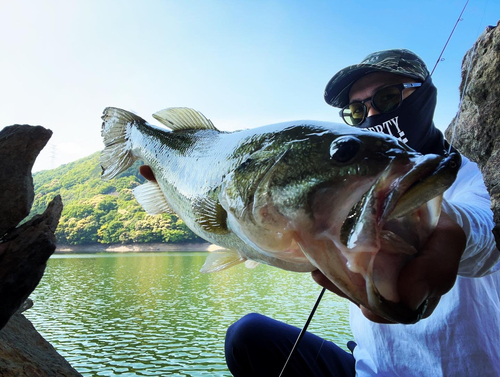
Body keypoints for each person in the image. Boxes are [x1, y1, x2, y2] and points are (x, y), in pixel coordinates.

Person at [223, 49, 500, 376]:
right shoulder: (349, 188)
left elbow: (485, 234)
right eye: (356, 112)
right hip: (370, 369)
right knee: (247, 337)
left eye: (387, 97)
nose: (371, 116)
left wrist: (447, 231)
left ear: (423, 96)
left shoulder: (480, 176)